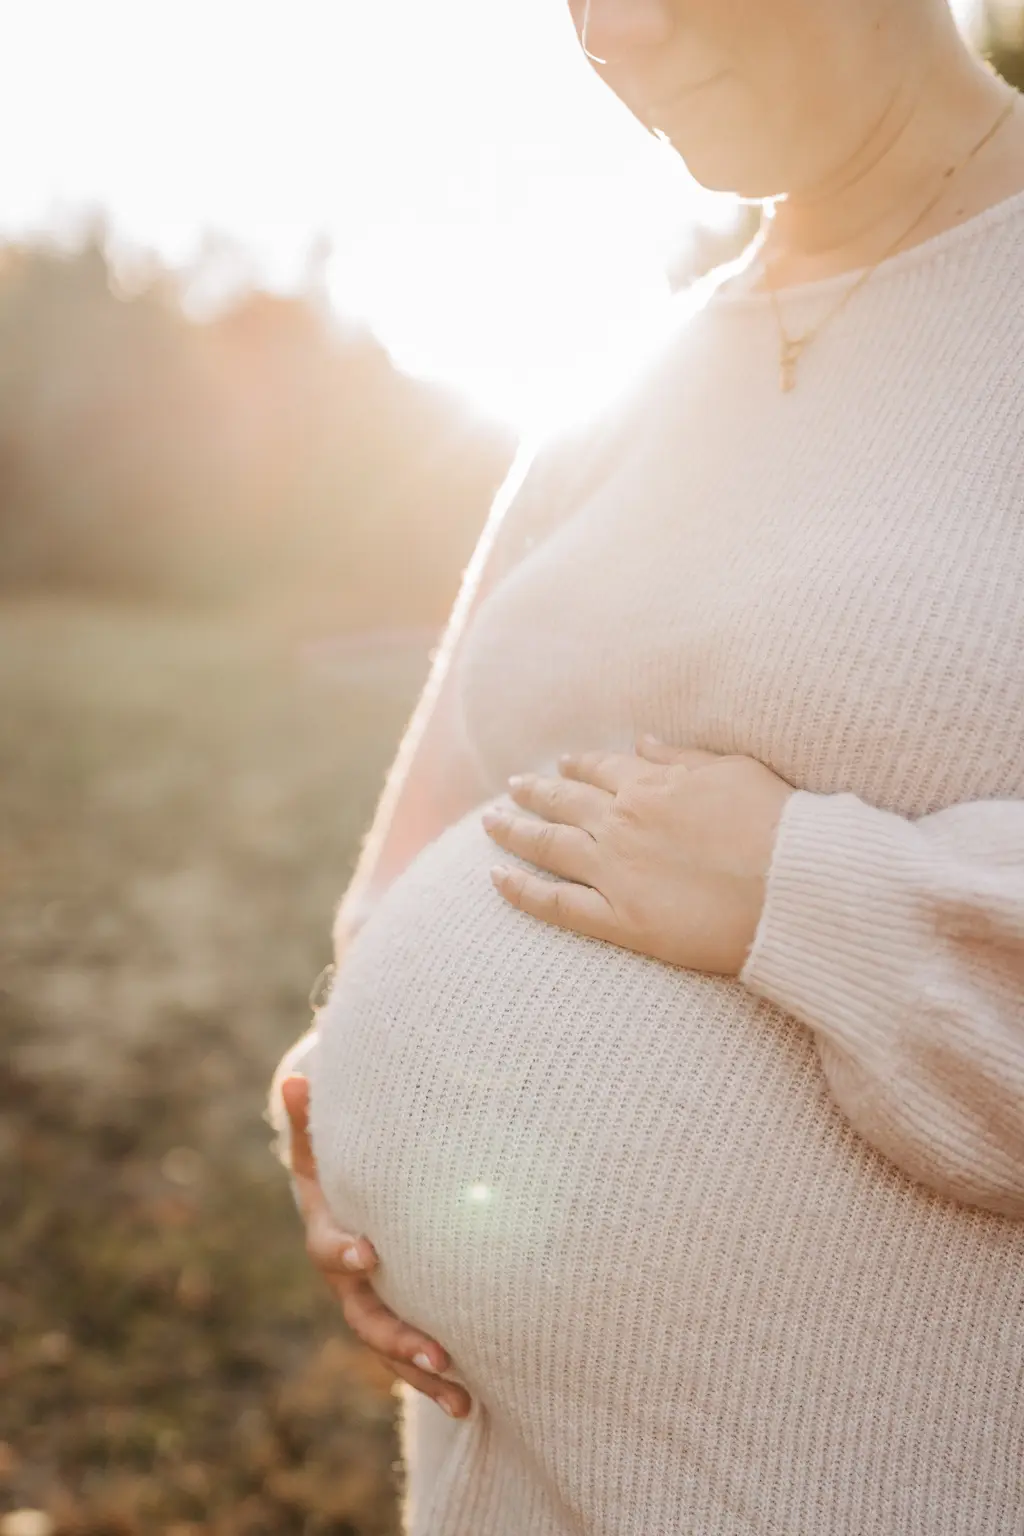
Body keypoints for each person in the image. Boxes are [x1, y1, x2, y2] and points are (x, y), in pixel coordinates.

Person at [269, 1, 1024, 1531]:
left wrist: (809, 892)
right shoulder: (618, 390)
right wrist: (333, 1129)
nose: (616, 26)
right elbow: (422, 832)